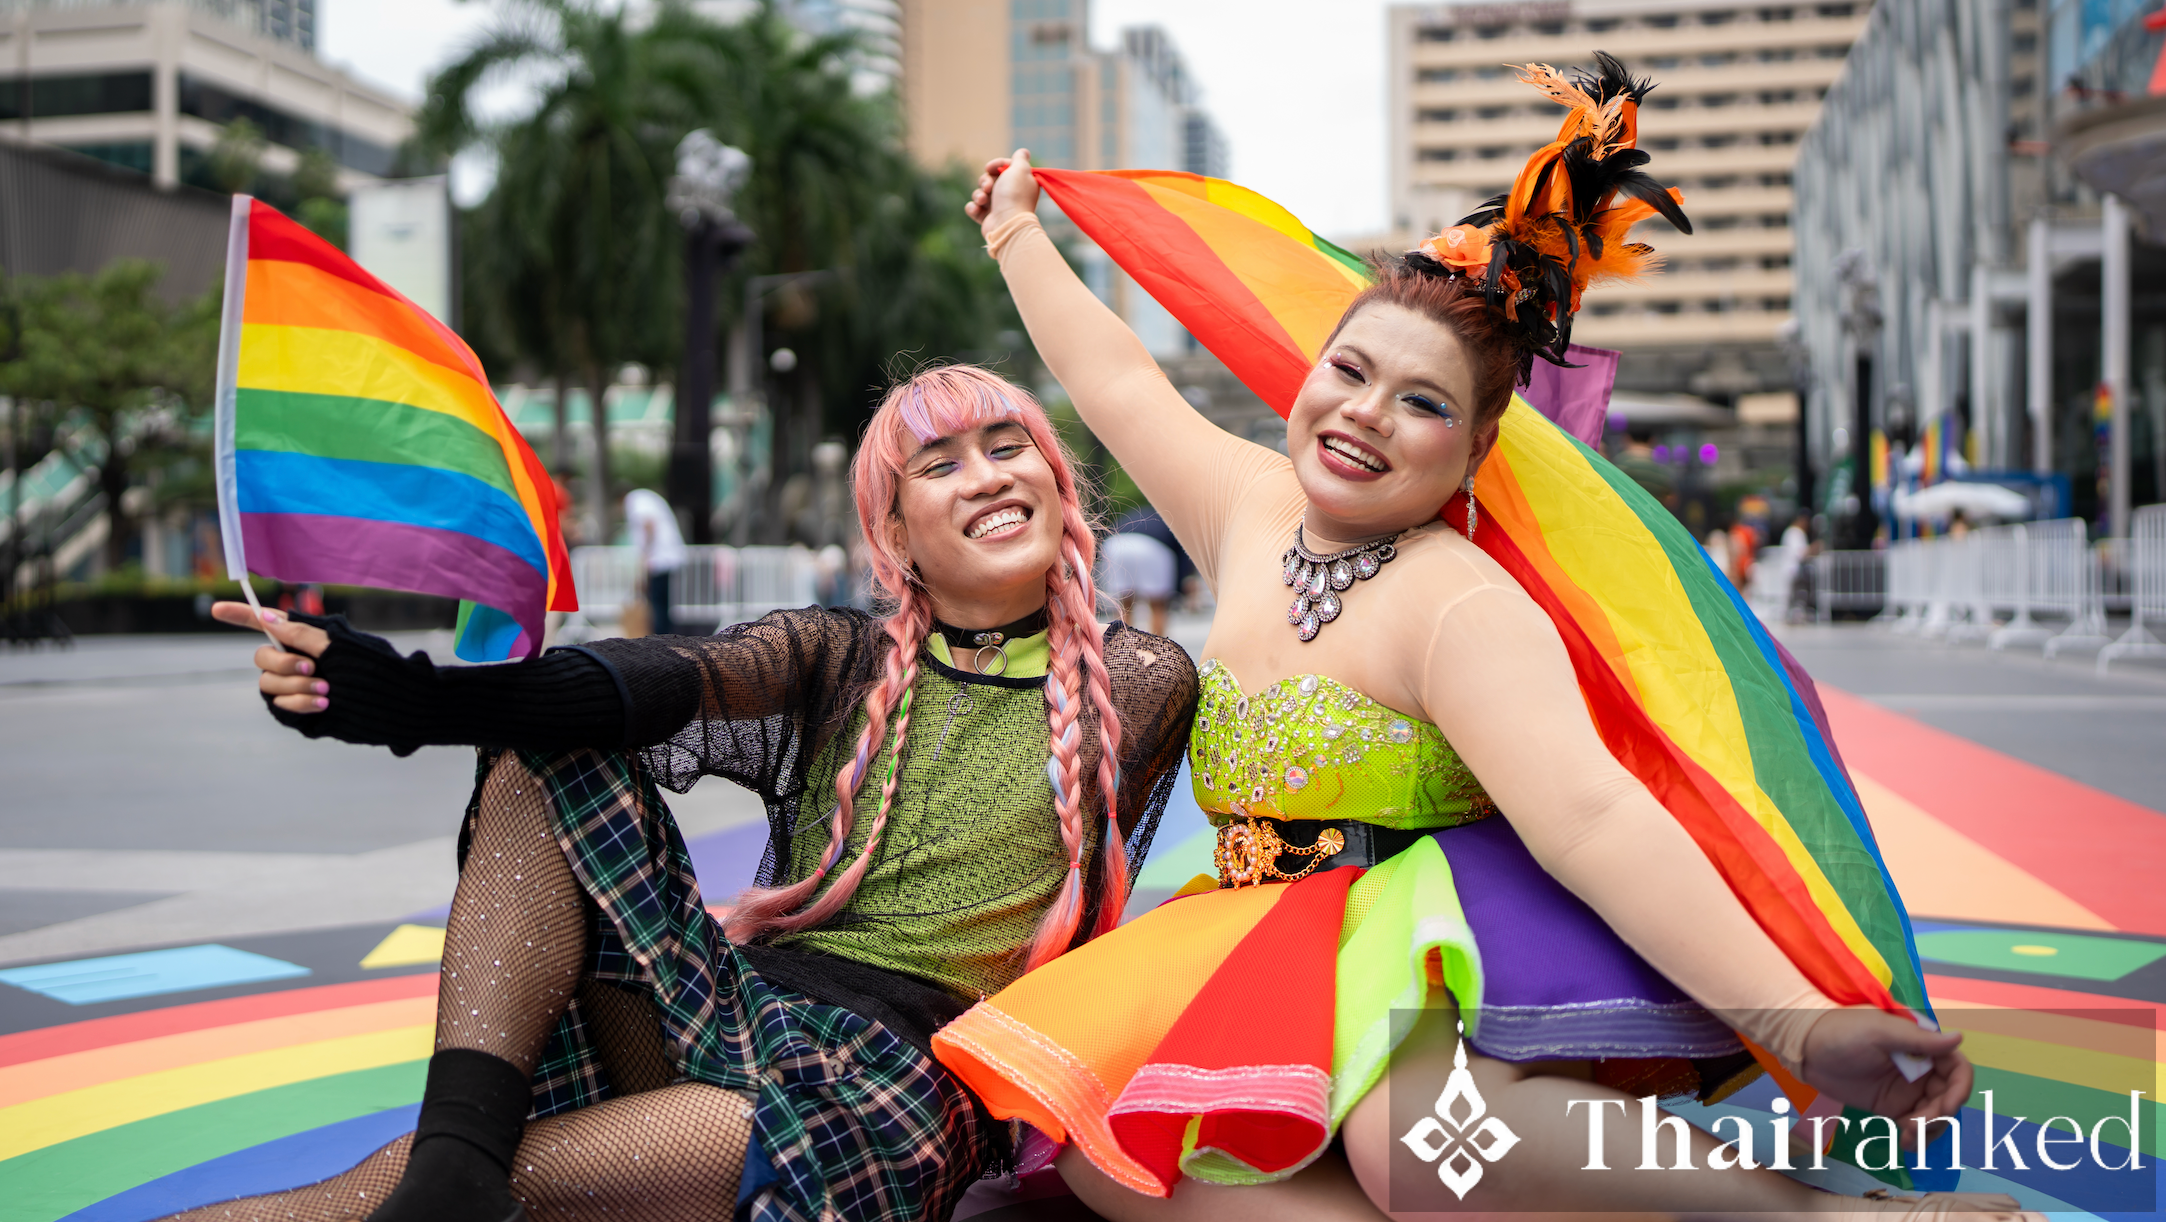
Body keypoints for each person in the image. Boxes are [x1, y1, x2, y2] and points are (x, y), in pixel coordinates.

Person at [934, 55, 2021, 1222]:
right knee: (1115, 1154)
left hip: (1450, 954)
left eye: (1422, 402)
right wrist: (1016, 236)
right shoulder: (1248, 509)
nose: (1364, 413)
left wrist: (1793, 1024)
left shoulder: (1461, 605)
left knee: (1418, 1145)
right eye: (1349, 371)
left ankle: (1814, 1214)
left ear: (1478, 447)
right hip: (1253, 936)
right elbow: (1118, 382)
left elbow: (1597, 821)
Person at [191, 366, 1199, 1222]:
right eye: (941, 465)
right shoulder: (837, 655)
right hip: (735, 1010)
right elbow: (654, 678)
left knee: (413, 1186)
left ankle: (454, 1170)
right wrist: (406, 697)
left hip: (896, 1085)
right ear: (895, 537)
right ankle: (458, 1150)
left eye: (1008, 445)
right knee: (557, 749)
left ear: (1061, 486)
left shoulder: (1141, 677)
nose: (985, 476)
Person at [1100, 505, 1189, 636]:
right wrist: (1180, 587)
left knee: (1124, 606)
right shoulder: (1171, 518)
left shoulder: (1137, 511)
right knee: (1158, 605)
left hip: (1116, 543)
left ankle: (1122, 647)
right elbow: (1183, 558)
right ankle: (1157, 649)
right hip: (1153, 546)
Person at [623, 486, 686, 636]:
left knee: (658, 604)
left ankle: (660, 639)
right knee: (663, 604)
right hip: (667, 558)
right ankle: (666, 637)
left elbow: (648, 524)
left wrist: (645, 553)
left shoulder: (635, 499)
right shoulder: (648, 497)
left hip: (659, 559)